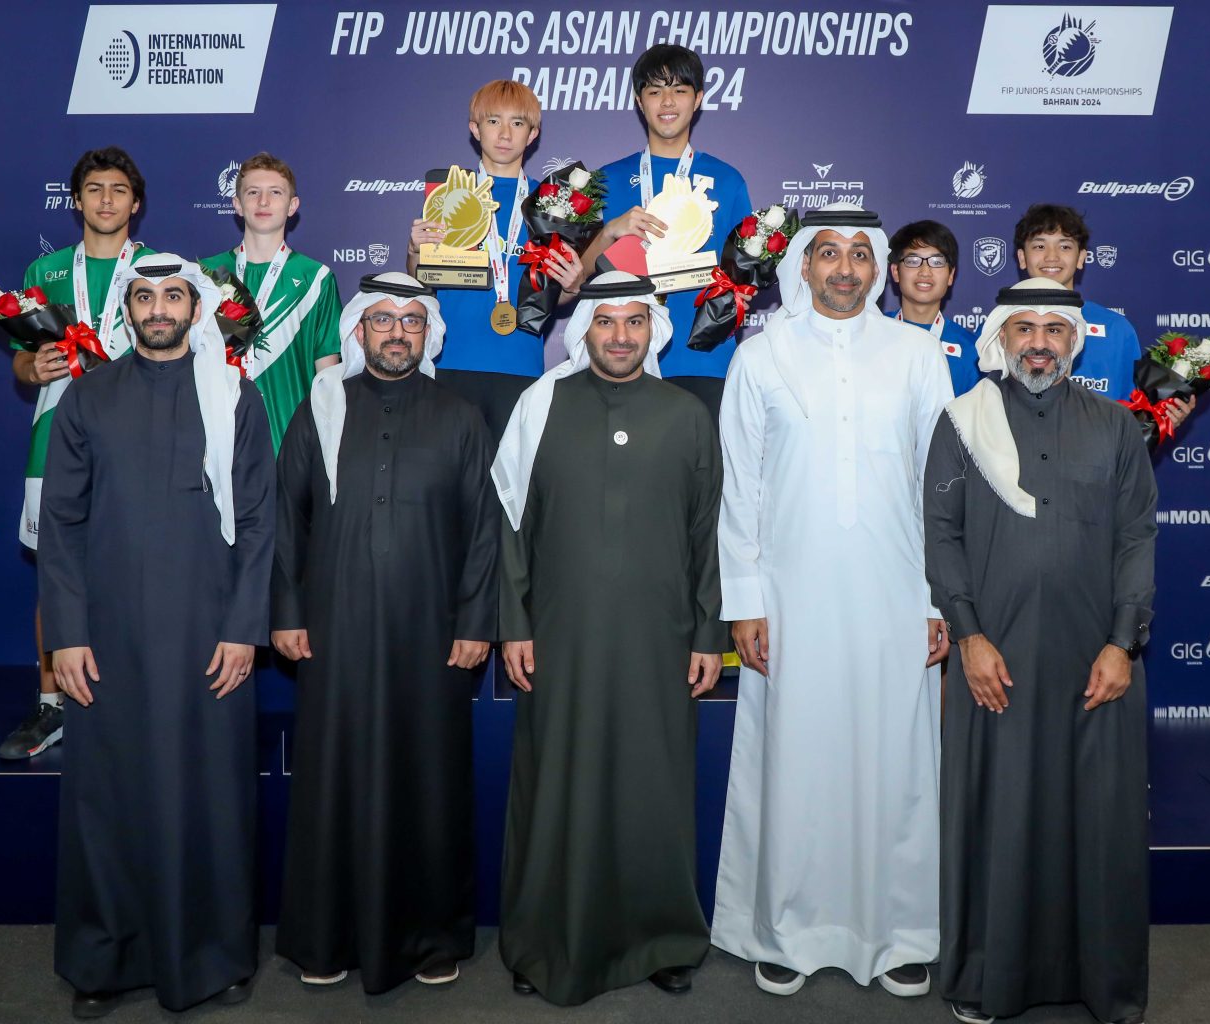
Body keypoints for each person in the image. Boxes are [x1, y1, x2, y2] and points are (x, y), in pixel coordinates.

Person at [713, 204, 951, 999]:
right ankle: (786, 930)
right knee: (795, 758)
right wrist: (746, 601)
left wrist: (938, 600)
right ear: (803, 266)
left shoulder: (917, 354)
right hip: (791, 594)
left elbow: (939, 486)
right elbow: (740, 487)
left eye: (859, 254)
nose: (845, 269)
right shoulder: (761, 356)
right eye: (828, 254)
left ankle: (903, 932)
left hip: (897, 590)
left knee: (897, 760)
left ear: (878, 267)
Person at [39, 254, 275, 1017]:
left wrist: (244, 630)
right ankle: (105, 961)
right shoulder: (87, 396)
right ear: (128, 309)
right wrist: (65, 635)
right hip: (107, 643)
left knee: (211, 799)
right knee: (108, 802)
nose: (160, 309)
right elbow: (61, 522)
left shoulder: (235, 398)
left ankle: (215, 956)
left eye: (174, 295)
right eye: (145, 297)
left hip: (210, 641)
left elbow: (260, 521)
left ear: (196, 308)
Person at [923, 277, 1156, 1024]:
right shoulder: (962, 422)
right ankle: (988, 981)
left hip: (1096, 660)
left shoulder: (1116, 427)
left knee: (1099, 821)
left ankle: (1105, 987)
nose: (1039, 343)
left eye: (1054, 330)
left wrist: (1122, 644)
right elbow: (942, 535)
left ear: (1074, 342)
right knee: (1000, 817)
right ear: (1000, 338)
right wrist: (968, 635)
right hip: (997, 658)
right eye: (1023, 328)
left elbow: (1136, 538)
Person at [492, 271, 724, 1005]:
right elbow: (509, 525)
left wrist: (707, 635)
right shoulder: (540, 405)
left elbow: (709, 533)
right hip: (560, 637)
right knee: (556, 782)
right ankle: (541, 941)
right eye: (606, 321)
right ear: (584, 329)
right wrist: (514, 623)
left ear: (653, 330)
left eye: (634, 322)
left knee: (653, 787)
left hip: (663, 639)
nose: (621, 336)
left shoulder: (687, 414)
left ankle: (662, 940)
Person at [271, 273, 498, 992]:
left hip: (433, 636)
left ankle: (430, 939)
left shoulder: (460, 416)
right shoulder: (320, 409)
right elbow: (286, 517)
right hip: (332, 630)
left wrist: (476, 622)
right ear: (358, 330)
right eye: (382, 320)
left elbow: (484, 531)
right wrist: (286, 611)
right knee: (332, 780)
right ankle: (326, 939)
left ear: (428, 332)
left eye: (411, 321)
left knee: (429, 781)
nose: (397, 333)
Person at [0, 146, 155, 760]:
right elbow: (21, 361)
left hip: (138, 444)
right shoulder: (46, 269)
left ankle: (134, 700)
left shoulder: (159, 270)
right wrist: (32, 367)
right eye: (95, 189)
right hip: (57, 440)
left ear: (135, 204)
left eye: (119, 190)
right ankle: (51, 705)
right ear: (76, 200)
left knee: (140, 572)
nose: (107, 200)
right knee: (58, 574)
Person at [582, 45, 753, 422]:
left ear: (698, 99)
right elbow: (577, 277)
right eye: (655, 91)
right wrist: (610, 231)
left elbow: (746, 275)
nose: (667, 101)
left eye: (679, 90)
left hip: (703, 359)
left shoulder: (728, 181)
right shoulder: (607, 180)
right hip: (625, 358)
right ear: (639, 101)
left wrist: (741, 292)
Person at [406, 79, 584, 439]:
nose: (505, 134)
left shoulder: (553, 203)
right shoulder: (451, 192)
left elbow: (556, 297)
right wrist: (413, 252)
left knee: (511, 475)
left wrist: (572, 286)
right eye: (493, 121)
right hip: (451, 361)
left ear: (532, 134)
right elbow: (422, 281)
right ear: (475, 129)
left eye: (517, 123)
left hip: (520, 365)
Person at [201, 151, 342, 451]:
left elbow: (328, 374)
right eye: (253, 192)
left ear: (292, 206)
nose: (263, 202)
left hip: (292, 442)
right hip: (220, 441)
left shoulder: (315, 277)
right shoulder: (207, 274)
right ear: (237, 204)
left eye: (275, 193)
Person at [1009, 203, 1193, 427]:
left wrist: (1164, 418)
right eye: (1039, 246)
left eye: (1064, 246)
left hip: (1100, 449)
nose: (1051, 257)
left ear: (1081, 258)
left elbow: (1134, 418)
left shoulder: (1117, 329)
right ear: (1022, 257)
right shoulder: (998, 327)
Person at [885, 219, 981, 396]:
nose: (925, 271)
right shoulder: (873, 333)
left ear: (951, 275)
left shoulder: (971, 350)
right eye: (913, 261)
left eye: (936, 262)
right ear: (895, 272)